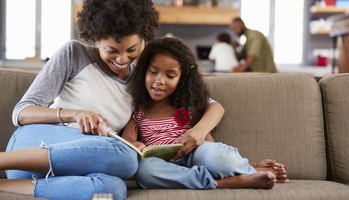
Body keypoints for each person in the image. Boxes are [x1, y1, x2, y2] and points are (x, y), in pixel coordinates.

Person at [0, 1, 225, 200]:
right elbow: (21, 112)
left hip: (84, 162)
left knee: (112, 191)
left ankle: (6, 186)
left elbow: (212, 106)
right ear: (95, 37)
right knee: (126, 158)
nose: (122, 59)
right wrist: (73, 114)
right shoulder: (74, 54)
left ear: (143, 40)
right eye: (112, 50)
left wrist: (198, 132)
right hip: (28, 149)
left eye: (131, 50)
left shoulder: (146, 75)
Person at [122, 37, 289, 190]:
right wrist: (135, 145)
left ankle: (250, 169)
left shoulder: (187, 105)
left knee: (213, 155)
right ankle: (225, 182)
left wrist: (251, 162)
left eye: (170, 75)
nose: (160, 80)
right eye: (153, 72)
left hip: (195, 156)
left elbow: (211, 146)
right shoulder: (139, 111)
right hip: (163, 165)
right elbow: (128, 139)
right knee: (145, 171)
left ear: (182, 79)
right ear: (143, 71)